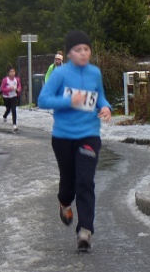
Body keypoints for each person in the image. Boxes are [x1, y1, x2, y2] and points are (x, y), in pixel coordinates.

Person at [37, 30, 112, 253]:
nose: (83, 53)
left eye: (86, 49)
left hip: (89, 134)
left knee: (85, 180)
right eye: (78, 50)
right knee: (69, 182)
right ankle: (64, 202)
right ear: (69, 53)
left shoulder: (94, 73)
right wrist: (69, 100)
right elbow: (43, 100)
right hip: (63, 137)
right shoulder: (60, 74)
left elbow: (100, 96)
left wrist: (106, 107)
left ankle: (85, 231)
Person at [0, 65, 22, 132]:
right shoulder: (5, 80)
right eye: (11, 72)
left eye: (13, 72)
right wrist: (9, 89)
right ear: (8, 73)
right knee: (8, 109)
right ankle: (5, 116)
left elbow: (19, 85)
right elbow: (2, 89)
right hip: (6, 97)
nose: (12, 73)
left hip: (13, 96)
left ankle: (14, 124)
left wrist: (18, 89)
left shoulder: (17, 79)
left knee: (13, 109)